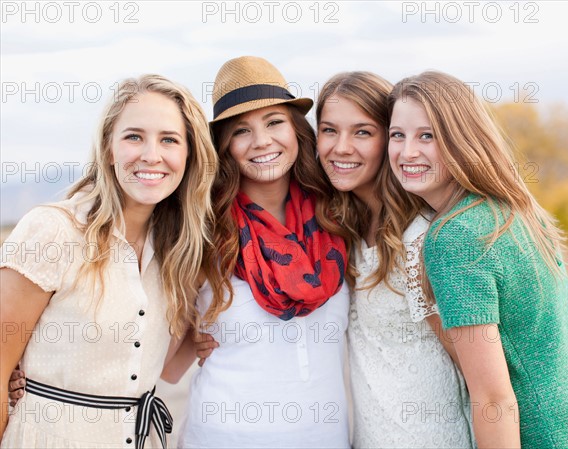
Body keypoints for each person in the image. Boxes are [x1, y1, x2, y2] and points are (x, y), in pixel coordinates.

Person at [0, 74, 218, 448]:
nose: (152, 155)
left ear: (189, 155)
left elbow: (164, 369)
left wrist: (214, 335)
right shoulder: (53, 230)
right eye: (134, 136)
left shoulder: (179, 252)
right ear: (108, 148)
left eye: (169, 139)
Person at [387, 70, 568, 448]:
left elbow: (493, 400)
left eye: (427, 136)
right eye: (397, 135)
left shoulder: (456, 236)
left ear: (461, 139)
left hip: (541, 437)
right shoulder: (513, 210)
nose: (407, 153)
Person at [161, 56, 352, 448]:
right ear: (224, 147)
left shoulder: (337, 219)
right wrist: (190, 339)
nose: (262, 141)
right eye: (241, 131)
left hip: (326, 438)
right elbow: (165, 366)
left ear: (297, 130)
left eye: (274, 122)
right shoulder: (204, 233)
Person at [316, 71, 474, 448]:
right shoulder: (346, 225)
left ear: (389, 138)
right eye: (328, 130)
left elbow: (476, 370)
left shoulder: (420, 238)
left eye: (362, 132)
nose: (341, 147)